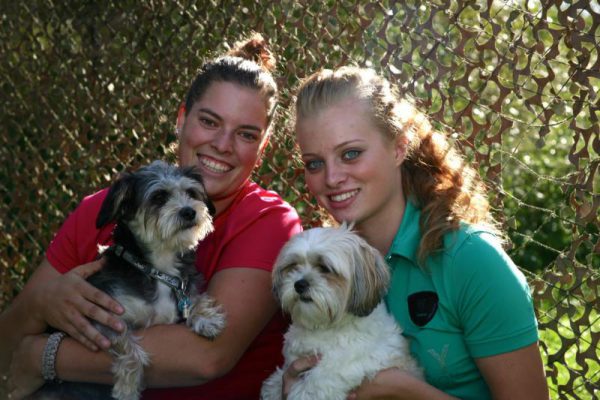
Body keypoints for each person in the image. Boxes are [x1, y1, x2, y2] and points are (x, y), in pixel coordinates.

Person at [0, 33, 302, 400]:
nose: (223, 145)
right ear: (181, 119)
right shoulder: (103, 209)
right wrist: (41, 304)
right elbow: (6, 342)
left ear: (263, 146)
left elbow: (206, 356)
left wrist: (44, 355)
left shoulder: (269, 221)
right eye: (209, 121)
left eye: (246, 134)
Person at [282, 66, 549, 400]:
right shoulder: (323, 261)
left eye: (351, 153)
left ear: (398, 148)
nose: (332, 177)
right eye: (314, 164)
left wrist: (406, 391)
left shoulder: (471, 261)